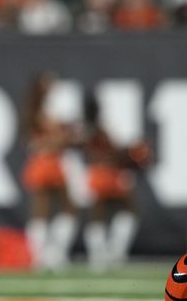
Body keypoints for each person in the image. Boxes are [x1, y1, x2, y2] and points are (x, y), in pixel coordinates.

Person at [81, 91, 151, 272]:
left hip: (96, 173)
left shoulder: (86, 128)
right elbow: (112, 153)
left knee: (99, 214)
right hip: (108, 174)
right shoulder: (97, 129)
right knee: (127, 210)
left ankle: (100, 254)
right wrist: (131, 153)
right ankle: (113, 251)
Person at [20, 72, 77, 271]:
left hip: (46, 161)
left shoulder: (40, 108)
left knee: (56, 210)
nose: (51, 86)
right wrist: (66, 135)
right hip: (47, 162)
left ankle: (47, 254)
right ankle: (47, 255)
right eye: (47, 84)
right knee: (47, 210)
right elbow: (53, 139)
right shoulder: (39, 109)